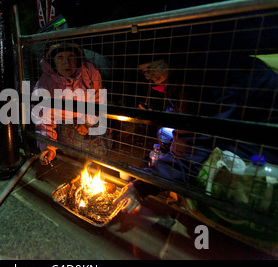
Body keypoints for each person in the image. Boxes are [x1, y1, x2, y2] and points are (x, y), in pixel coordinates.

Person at [115, 52, 278, 214]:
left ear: (170, 58)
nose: (148, 76)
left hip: (265, 141)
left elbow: (192, 151)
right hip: (248, 128)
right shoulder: (186, 76)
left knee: (217, 173)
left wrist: (143, 185)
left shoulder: (201, 81)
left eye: (151, 68)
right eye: (144, 71)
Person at [31, 42, 110, 165]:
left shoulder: (90, 73)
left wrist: (86, 120)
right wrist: (48, 147)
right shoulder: (44, 86)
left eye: (71, 56)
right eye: (60, 57)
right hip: (62, 122)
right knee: (73, 149)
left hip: (84, 117)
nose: (67, 63)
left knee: (101, 140)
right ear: (53, 61)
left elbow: (98, 101)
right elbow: (43, 120)